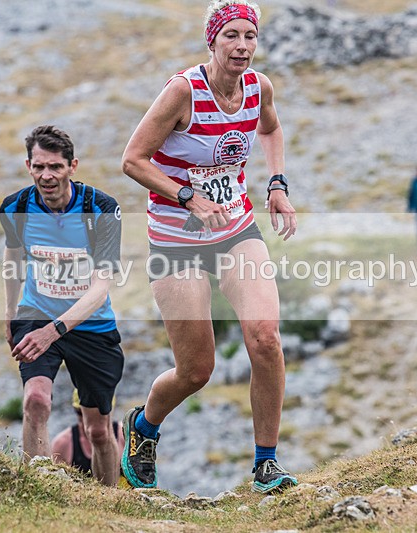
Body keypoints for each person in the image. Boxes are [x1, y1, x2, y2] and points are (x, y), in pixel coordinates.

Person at [119, 0, 298, 494]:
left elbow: (271, 127)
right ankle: (144, 427)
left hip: (236, 230)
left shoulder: (259, 87)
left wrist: (277, 185)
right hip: (177, 240)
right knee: (196, 370)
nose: (242, 46)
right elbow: (133, 160)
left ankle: (266, 463)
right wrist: (188, 196)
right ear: (212, 41)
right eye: (231, 37)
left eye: (250, 36)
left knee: (265, 338)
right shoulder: (183, 91)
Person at [0, 125, 124, 486]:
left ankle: (107, 505)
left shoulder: (100, 209)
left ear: (73, 166)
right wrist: (10, 314)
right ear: (28, 166)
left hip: (90, 324)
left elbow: (101, 287)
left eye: (55, 167)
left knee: (98, 430)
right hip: (36, 315)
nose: (46, 176)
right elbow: (13, 260)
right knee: (36, 400)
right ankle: (37, 493)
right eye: (38, 167)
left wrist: (54, 332)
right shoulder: (16, 207)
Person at [51, 389, 125, 475]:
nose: (87, 419)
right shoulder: (62, 444)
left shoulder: (125, 436)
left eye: (96, 414)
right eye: (80, 413)